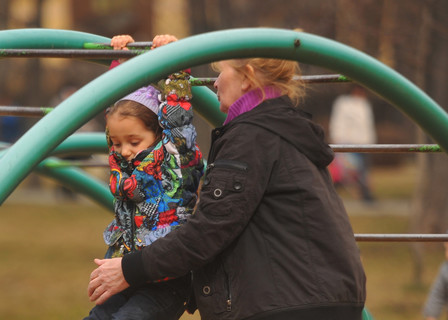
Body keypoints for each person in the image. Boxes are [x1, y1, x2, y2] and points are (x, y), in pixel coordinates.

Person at [88, 56, 367, 319]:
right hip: (321, 295)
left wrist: (130, 268)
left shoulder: (252, 136)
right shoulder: (281, 129)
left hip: (292, 305)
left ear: (246, 78)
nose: (214, 83)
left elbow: (209, 228)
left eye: (220, 72)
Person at [83, 34, 203, 320]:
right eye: (116, 143)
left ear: (158, 134)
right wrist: (121, 62)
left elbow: (178, 117)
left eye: (134, 142)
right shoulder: (121, 160)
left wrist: (174, 63)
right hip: (128, 270)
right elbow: (115, 109)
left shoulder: (174, 157)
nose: (123, 151)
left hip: (167, 281)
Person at [328, 85, 377, 202]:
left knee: (362, 171)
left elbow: (367, 126)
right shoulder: (343, 103)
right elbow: (337, 122)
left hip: (364, 143)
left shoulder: (364, 104)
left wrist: (371, 142)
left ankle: (366, 195)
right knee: (346, 170)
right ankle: (334, 191)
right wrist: (337, 139)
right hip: (347, 142)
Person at [422, 236, 448, 320]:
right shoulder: (445, 269)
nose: (446, 254)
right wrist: (432, 315)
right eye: (446, 249)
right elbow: (437, 295)